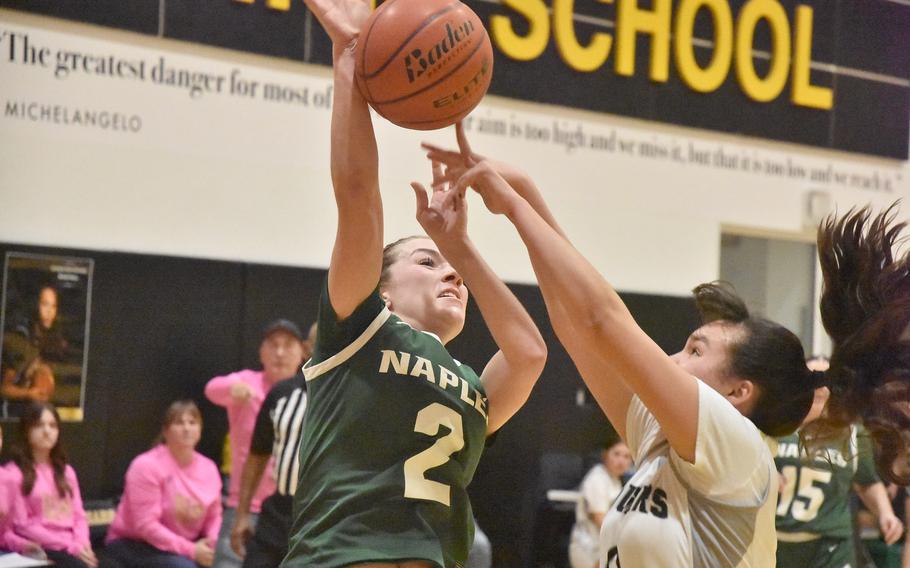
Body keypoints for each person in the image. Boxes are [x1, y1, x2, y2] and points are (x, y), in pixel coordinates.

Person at [426, 127, 910, 566]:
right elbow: (576, 327)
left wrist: (516, 207)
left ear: (739, 392)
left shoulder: (736, 448)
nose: (673, 361)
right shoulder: (664, 437)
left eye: (695, 352)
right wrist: (524, 194)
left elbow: (600, 319)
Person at [282, 1, 547, 565]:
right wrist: (349, 59)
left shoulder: (472, 387)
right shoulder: (359, 332)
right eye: (425, 263)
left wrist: (460, 247)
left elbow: (528, 352)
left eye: (447, 269)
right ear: (382, 290)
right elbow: (358, 199)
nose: (449, 275)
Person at [775, 356, 903, 568]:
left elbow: (866, 481)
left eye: (825, 378)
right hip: (776, 540)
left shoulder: (853, 433)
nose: (819, 385)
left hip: (830, 544)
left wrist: (885, 514)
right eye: (812, 377)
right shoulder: (775, 426)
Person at [205, 319, 307, 568]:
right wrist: (233, 388)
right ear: (261, 352)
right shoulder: (247, 382)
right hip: (246, 504)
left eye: (287, 346)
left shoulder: (314, 392)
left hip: (293, 510)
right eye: (273, 345)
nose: (280, 353)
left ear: (303, 352)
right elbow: (212, 389)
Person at [229, 323, 316, 568]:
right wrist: (242, 514)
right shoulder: (281, 393)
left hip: (326, 515)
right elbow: (257, 457)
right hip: (279, 512)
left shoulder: (352, 396)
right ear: (308, 350)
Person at [103, 400, 222, 568]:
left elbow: (214, 516)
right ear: (166, 431)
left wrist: (213, 543)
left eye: (192, 423)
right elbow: (146, 526)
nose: (187, 428)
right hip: (135, 543)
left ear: (200, 430)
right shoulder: (146, 465)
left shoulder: (209, 468)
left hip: (188, 544)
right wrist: (191, 550)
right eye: (179, 423)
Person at [6, 401, 95, 568]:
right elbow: (23, 525)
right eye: (39, 425)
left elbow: (79, 516)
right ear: (26, 431)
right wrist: (69, 546)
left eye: (53, 425)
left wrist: (82, 543)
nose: (47, 431)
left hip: (73, 545)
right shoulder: (13, 474)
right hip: (43, 546)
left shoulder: (67, 472)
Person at [568, 440, 632, 568]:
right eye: (616, 454)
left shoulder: (616, 481)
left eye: (626, 456)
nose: (621, 461)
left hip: (605, 547)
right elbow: (600, 520)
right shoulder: (597, 479)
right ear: (605, 455)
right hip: (589, 548)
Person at [1, 286, 66, 406]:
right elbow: (4, 389)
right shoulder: (20, 340)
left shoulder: (56, 340)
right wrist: (28, 393)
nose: (49, 311)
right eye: (45, 304)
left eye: (54, 306)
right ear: (36, 305)